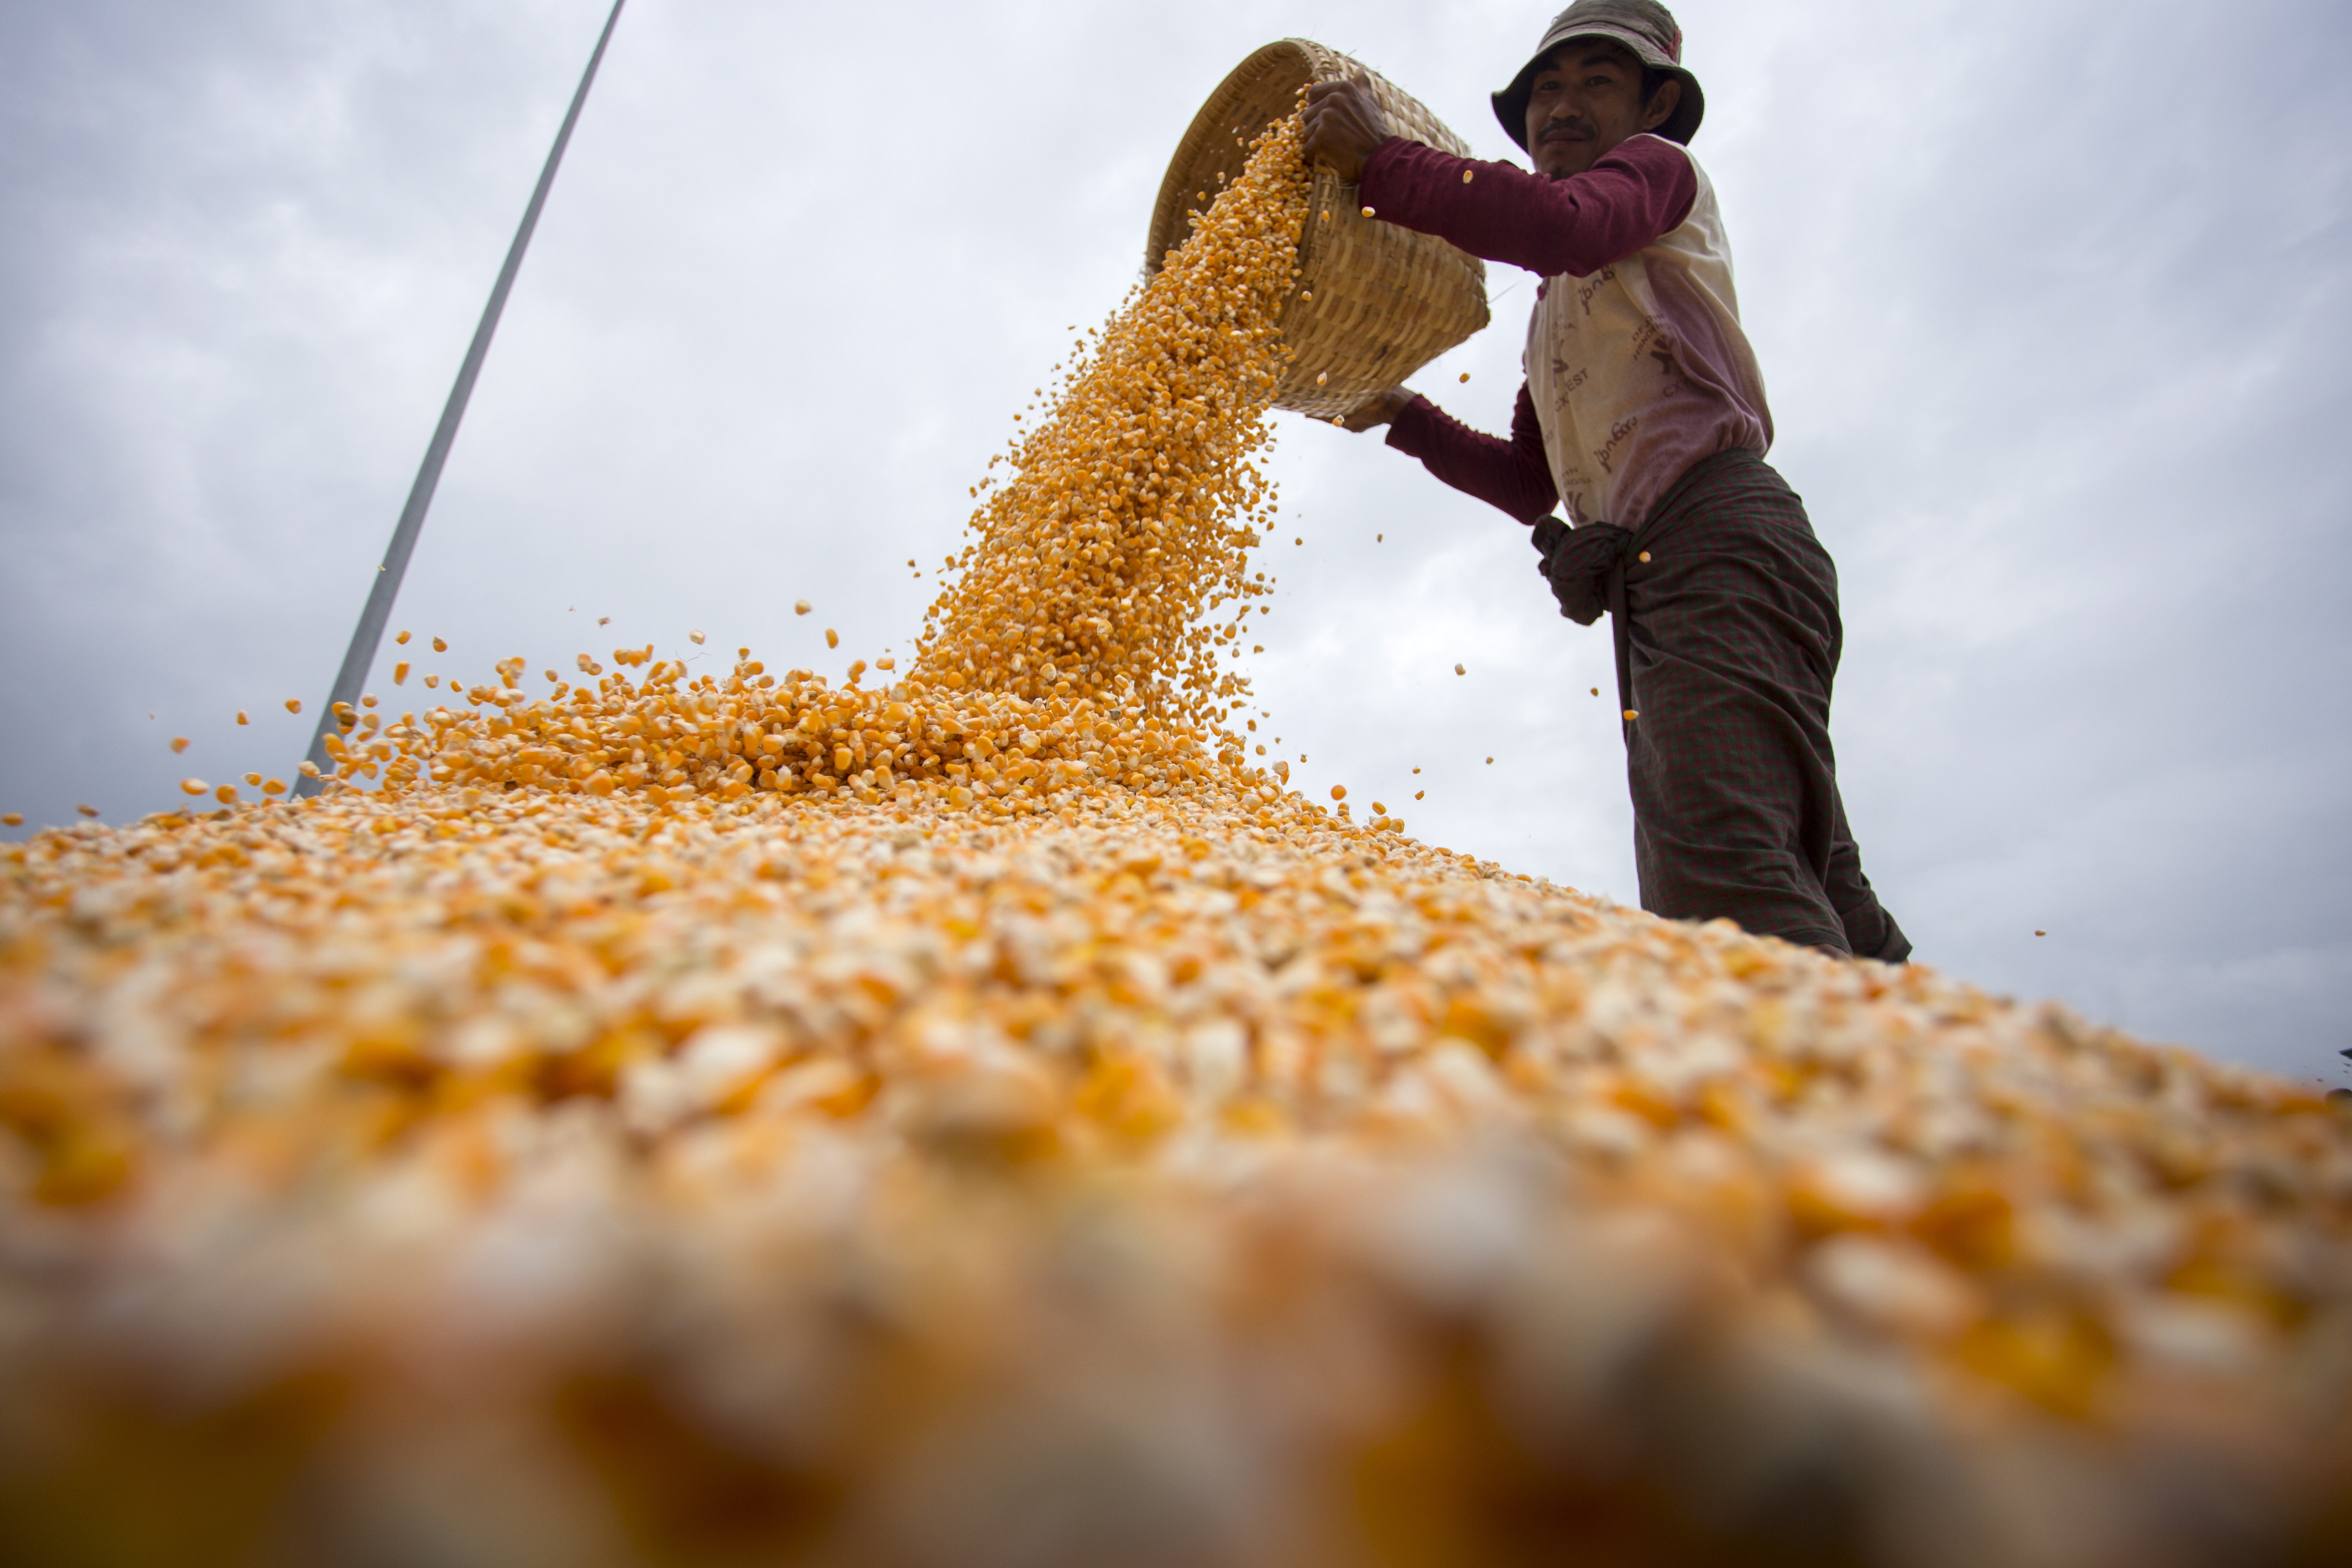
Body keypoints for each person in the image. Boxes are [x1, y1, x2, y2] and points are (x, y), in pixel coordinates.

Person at [1302, 0, 1910, 963]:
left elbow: (1561, 227)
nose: (1562, 107)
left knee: (1725, 876)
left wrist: (1384, 165)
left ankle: (1810, 1091)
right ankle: (1935, 1069)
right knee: (1799, 857)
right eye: (1546, 88)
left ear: (1655, 102)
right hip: (1662, 572)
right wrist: (1395, 413)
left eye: (1595, 83)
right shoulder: (1557, 314)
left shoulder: (1653, 181)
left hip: (1721, 538)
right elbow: (1524, 482)